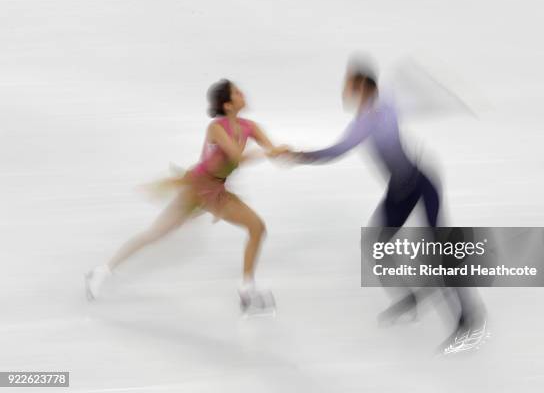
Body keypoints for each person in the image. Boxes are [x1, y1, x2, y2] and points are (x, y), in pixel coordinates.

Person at [286, 57, 487, 352]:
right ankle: (410, 298)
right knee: (375, 242)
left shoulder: (384, 109)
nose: (345, 89)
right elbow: (336, 150)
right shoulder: (364, 120)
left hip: (421, 182)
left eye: (350, 83)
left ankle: (470, 317)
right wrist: (301, 156)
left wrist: (453, 102)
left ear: (363, 86)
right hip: (400, 191)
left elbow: (423, 102)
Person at [85, 79, 289, 315]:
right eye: (236, 92)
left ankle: (246, 289)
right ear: (227, 105)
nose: (243, 93)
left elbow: (273, 153)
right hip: (196, 189)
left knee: (257, 227)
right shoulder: (216, 128)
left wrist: (286, 153)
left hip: (217, 192)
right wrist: (270, 152)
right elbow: (236, 157)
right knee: (155, 234)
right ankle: (101, 271)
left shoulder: (250, 127)